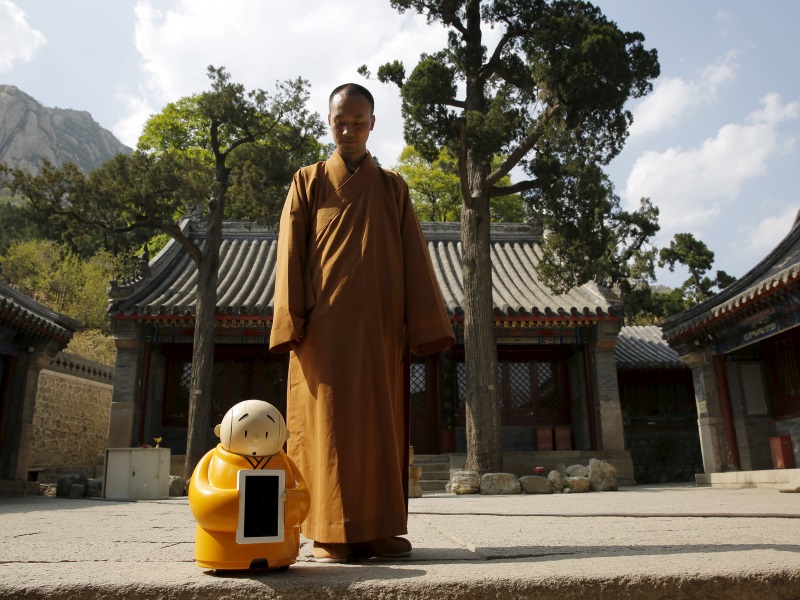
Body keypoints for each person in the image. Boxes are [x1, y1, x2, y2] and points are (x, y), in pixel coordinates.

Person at [269, 83, 454, 563]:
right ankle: (331, 532)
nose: (348, 130)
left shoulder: (393, 187)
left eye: (358, 121)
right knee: (328, 428)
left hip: (379, 330)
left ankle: (377, 529)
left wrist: (421, 324)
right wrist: (292, 321)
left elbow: (413, 257)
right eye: (340, 121)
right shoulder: (306, 181)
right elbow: (289, 254)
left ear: (373, 124)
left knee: (379, 426)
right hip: (324, 332)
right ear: (328, 123)